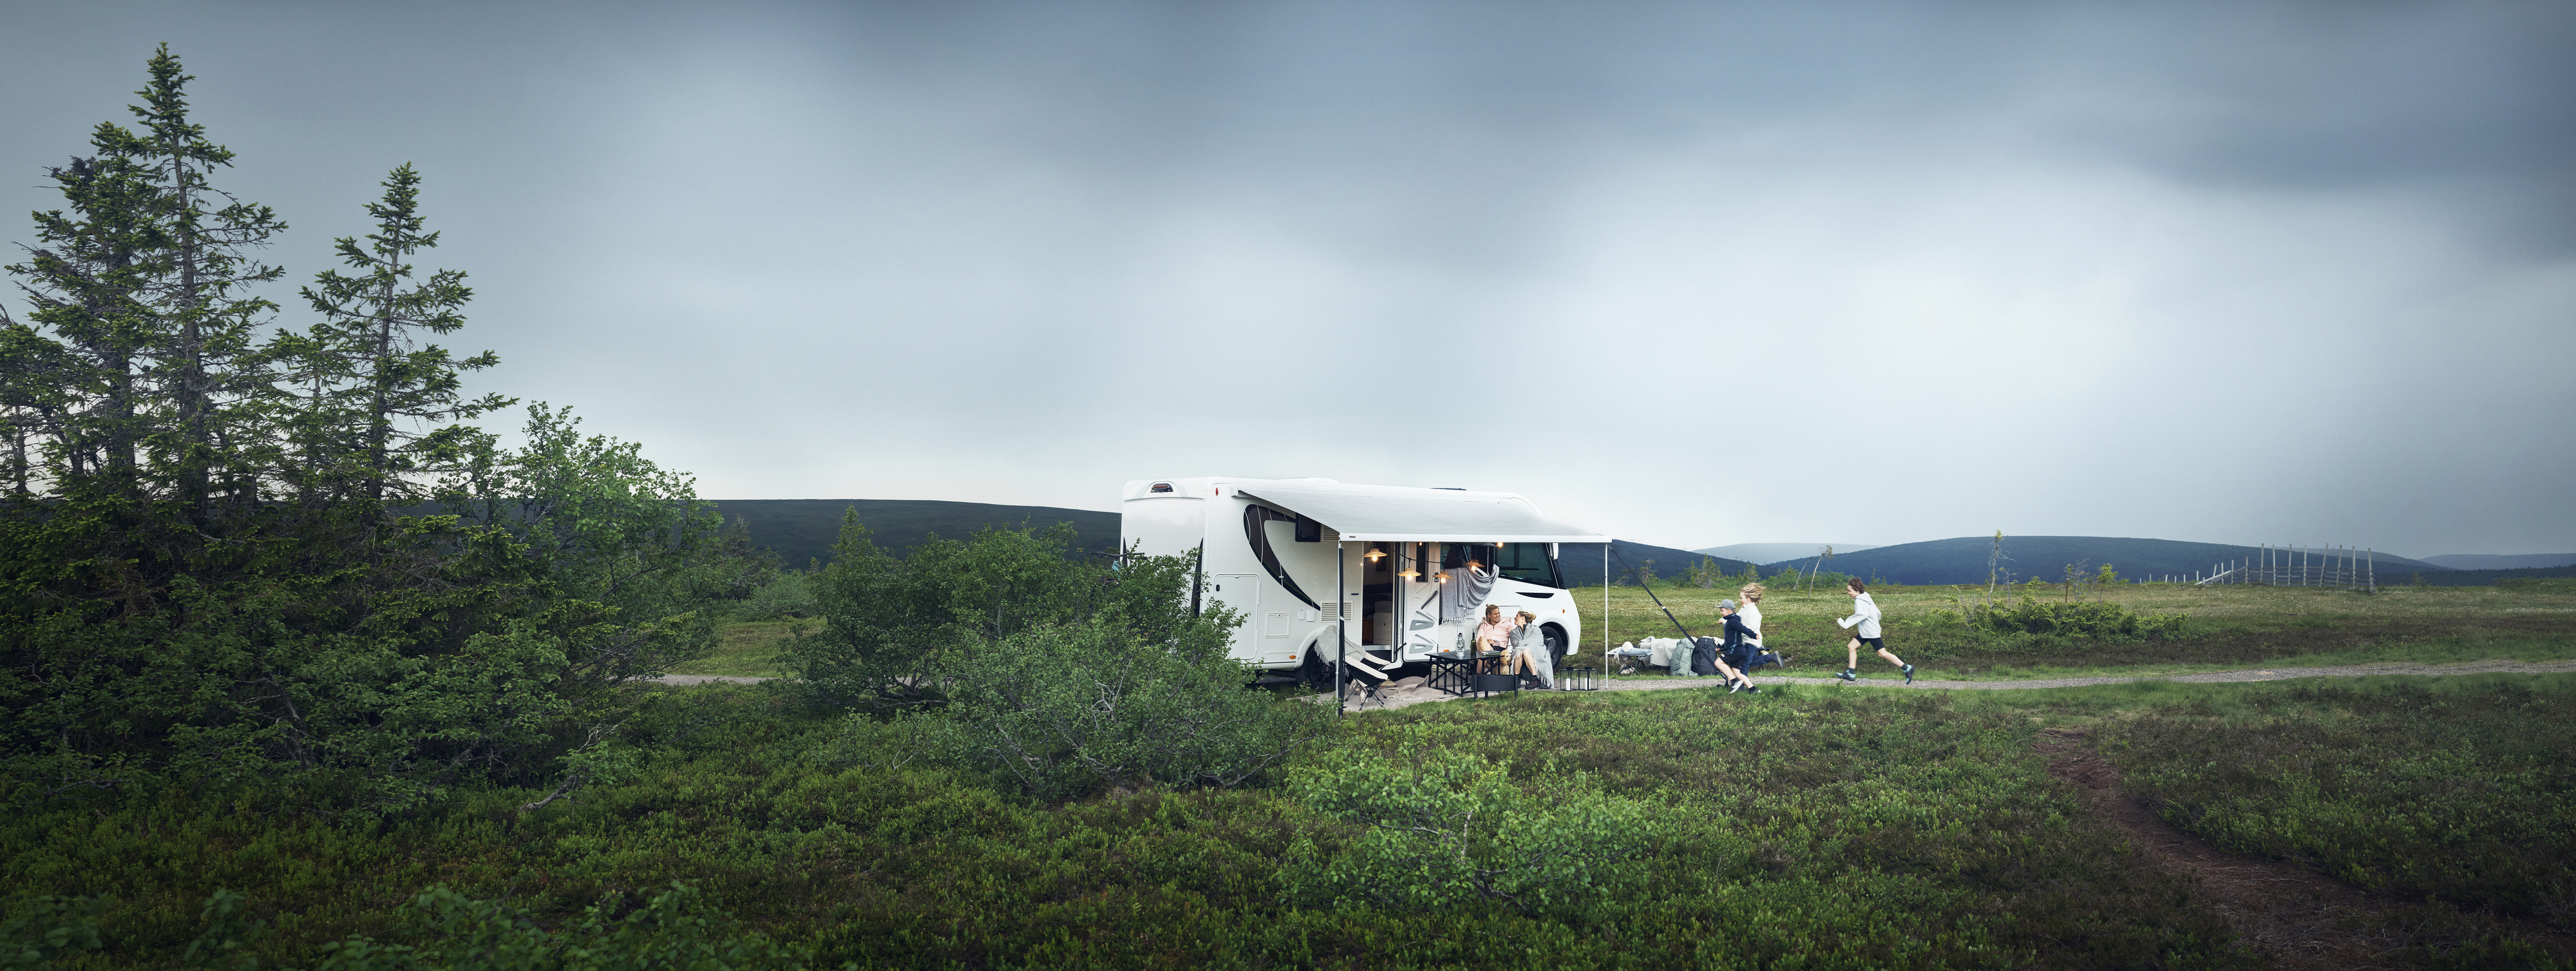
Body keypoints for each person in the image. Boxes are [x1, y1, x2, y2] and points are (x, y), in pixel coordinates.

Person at [1834, 579, 1913, 684]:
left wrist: (1845, 623)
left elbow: (1862, 614)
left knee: (1882, 653)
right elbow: (1877, 613)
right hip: (1866, 631)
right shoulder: (1866, 597)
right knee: (1852, 646)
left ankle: (1907, 668)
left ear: (1857, 590)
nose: (1848, 593)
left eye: (1850, 591)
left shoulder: (1860, 601)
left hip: (1870, 632)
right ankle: (1851, 673)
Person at [1506, 610, 1553, 688]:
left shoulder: (1536, 629)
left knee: (1525, 650)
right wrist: (1526, 645)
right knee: (1520, 651)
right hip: (1519, 656)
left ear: (1523, 618)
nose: (1514, 618)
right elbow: (1516, 645)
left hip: (1534, 653)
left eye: (1517, 616)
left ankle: (1535, 679)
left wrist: (1524, 646)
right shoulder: (1513, 632)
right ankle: (1517, 679)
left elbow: (1538, 643)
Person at [1473, 604, 1513, 673]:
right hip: (1486, 648)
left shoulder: (1506, 624)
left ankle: (1478, 679)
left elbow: (1515, 632)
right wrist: (1487, 641)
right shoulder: (1484, 626)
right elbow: (1478, 641)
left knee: (1483, 656)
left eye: (1499, 613)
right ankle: (1487, 657)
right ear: (1489, 615)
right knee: (1482, 639)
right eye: (1495, 614)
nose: (1498, 616)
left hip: (1499, 649)